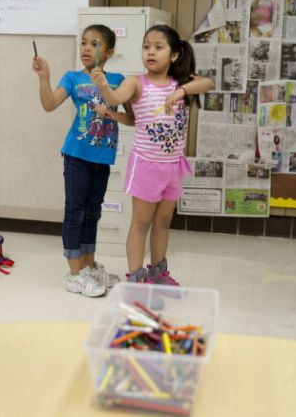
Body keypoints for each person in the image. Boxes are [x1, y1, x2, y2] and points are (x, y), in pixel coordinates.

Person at [92, 25, 215, 286]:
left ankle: (159, 273)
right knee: (141, 223)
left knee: (163, 222)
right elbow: (116, 96)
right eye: (146, 46)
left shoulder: (181, 82)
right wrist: (103, 86)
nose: (150, 52)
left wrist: (181, 91)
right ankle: (136, 278)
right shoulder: (136, 82)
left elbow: (207, 83)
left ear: (173, 55)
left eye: (158, 47)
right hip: (147, 165)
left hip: (174, 166)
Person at [31, 25, 133, 298]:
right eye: (84, 43)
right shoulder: (73, 78)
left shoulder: (119, 80)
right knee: (75, 211)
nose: (86, 49)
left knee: (93, 212)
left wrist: (111, 111)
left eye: (94, 44)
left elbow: (132, 118)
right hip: (76, 155)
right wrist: (44, 78)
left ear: (109, 52)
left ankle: (88, 265)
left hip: (103, 157)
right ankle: (74, 274)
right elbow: (50, 104)